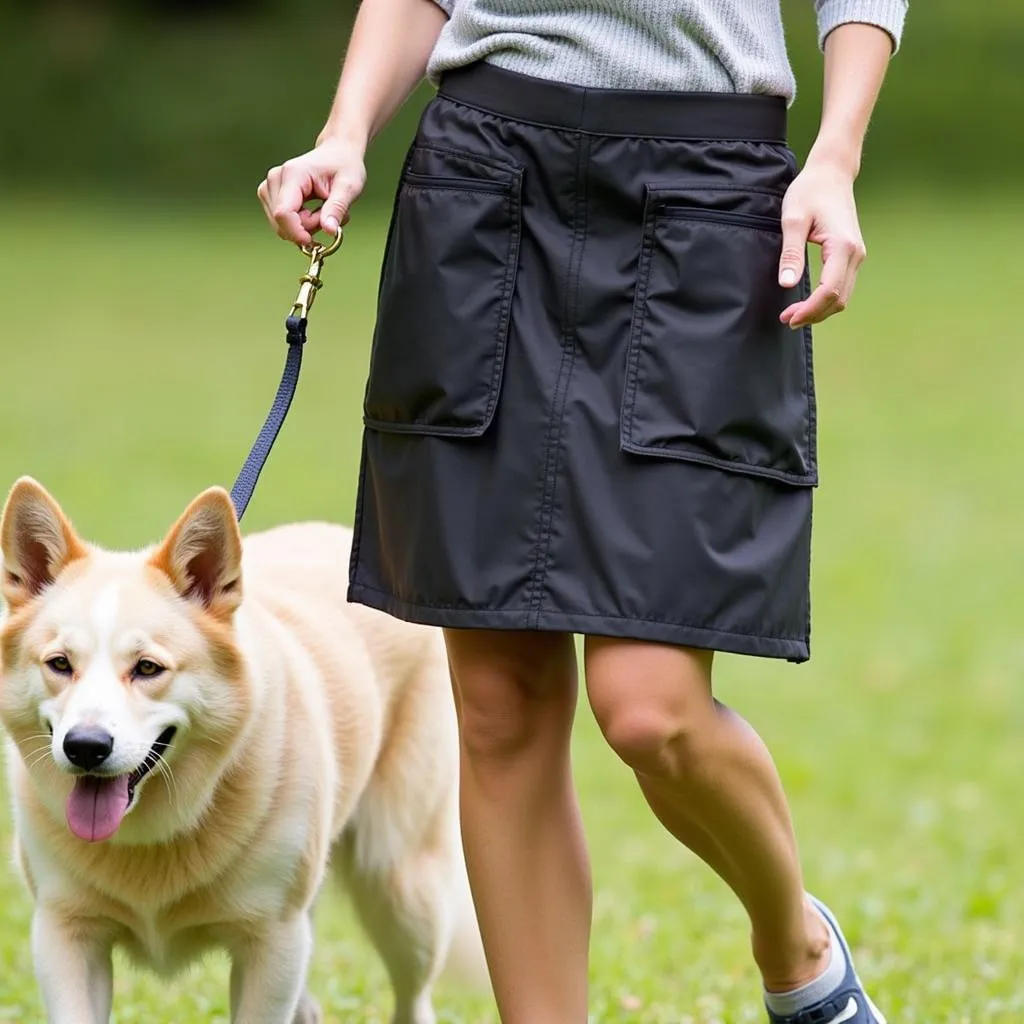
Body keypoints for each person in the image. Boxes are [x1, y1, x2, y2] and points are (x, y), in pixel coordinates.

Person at [258, 2, 907, 1022]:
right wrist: (343, 133)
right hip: (482, 187)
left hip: (705, 192)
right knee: (499, 706)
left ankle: (799, 951)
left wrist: (836, 152)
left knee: (650, 708)